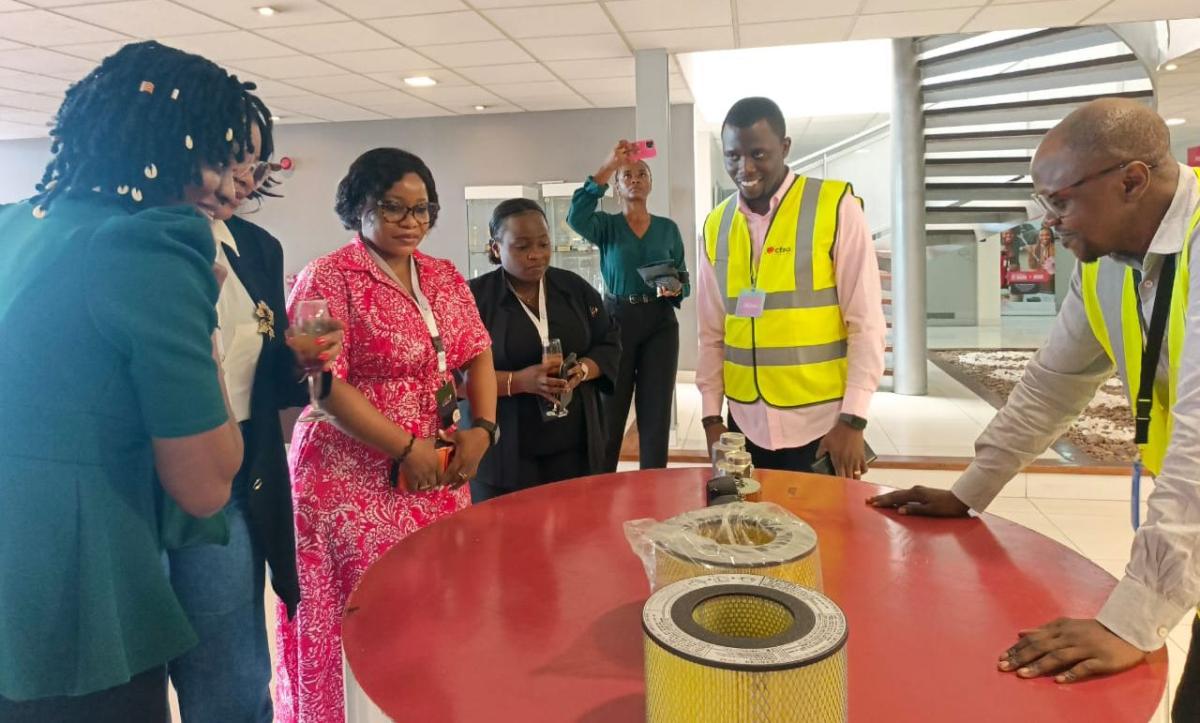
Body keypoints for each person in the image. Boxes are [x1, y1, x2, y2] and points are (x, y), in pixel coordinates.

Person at [868, 98, 1200, 721]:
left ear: (1132, 181)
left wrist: (1132, 619)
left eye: (1060, 201)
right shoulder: (1104, 263)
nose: (1047, 223)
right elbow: (1051, 386)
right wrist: (970, 490)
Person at [0, 41, 259, 721]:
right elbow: (205, 484)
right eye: (220, 157)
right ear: (172, 149)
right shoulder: (149, 245)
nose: (228, 184)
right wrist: (205, 336)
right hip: (78, 585)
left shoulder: (14, 223)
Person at [276, 147, 498, 723]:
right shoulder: (324, 277)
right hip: (349, 480)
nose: (410, 221)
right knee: (363, 616)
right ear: (359, 207)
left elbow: (477, 353)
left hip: (435, 471)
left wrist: (483, 429)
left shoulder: (443, 275)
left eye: (421, 209)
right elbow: (320, 383)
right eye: (393, 207)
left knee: (432, 606)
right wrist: (404, 447)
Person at [165, 117, 344, 722]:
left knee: (234, 677)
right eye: (229, 158)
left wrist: (297, 362)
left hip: (241, 468)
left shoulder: (257, 247)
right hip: (149, 471)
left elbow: (265, 382)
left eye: (255, 165)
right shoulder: (127, 243)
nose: (241, 179)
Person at [697, 97, 886, 477]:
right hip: (743, 424)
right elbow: (712, 333)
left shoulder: (835, 207)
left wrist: (853, 420)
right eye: (733, 156)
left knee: (822, 517)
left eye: (758, 154)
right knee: (747, 516)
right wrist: (711, 419)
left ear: (784, 147)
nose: (745, 168)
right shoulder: (716, 225)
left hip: (821, 424)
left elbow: (865, 324)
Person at [466, 198, 621, 502]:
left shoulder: (573, 288)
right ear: (496, 248)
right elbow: (455, 378)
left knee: (576, 522)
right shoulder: (474, 298)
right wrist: (519, 381)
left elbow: (608, 341)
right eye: (522, 246)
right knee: (511, 527)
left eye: (543, 244)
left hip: (574, 444)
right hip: (505, 448)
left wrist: (583, 370)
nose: (535, 255)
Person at [567, 141, 689, 471]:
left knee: (656, 411)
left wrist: (677, 288)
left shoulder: (667, 229)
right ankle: (602, 482)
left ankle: (654, 482)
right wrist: (608, 166)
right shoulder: (606, 226)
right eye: (627, 175)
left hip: (660, 323)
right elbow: (575, 216)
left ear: (651, 182)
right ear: (617, 187)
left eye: (642, 173)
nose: (635, 179)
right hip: (617, 321)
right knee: (611, 409)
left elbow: (684, 277)